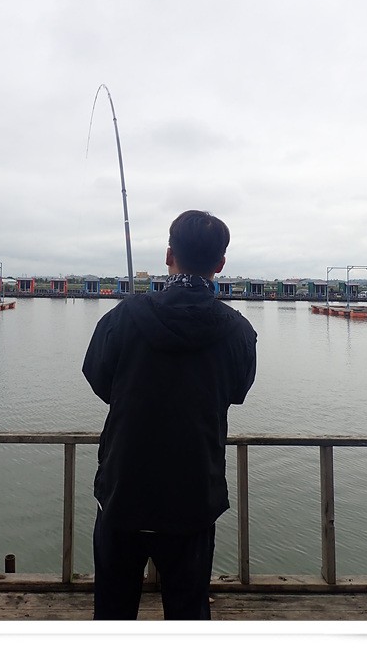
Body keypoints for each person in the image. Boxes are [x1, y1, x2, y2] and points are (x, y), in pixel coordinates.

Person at [82, 210, 257, 620]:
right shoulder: (237, 330)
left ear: (168, 255)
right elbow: (236, 392)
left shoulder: (122, 317)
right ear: (220, 264)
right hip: (194, 495)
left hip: (123, 490)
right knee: (188, 613)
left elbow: (98, 379)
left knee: (112, 614)